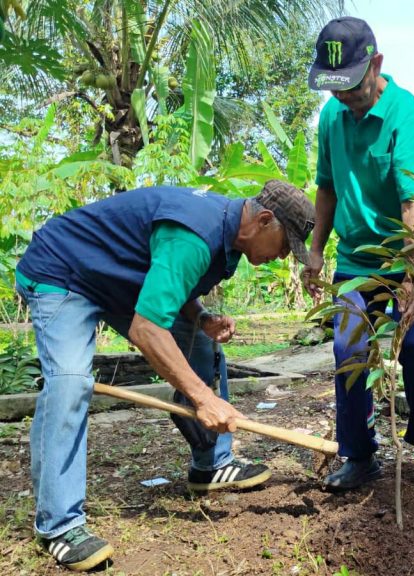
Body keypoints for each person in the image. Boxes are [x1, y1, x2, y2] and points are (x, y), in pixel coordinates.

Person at [15, 179, 315, 572]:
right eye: (284, 246)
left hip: (118, 283)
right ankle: (59, 525)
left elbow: (168, 278)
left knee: (200, 344)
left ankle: (211, 464)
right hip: (65, 273)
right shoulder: (196, 233)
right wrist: (204, 398)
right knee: (70, 382)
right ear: (263, 219)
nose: (282, 258)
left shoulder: (227, 237)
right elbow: (147, 329)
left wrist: (200, 317)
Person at [303, 17, 414, 496]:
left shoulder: (405, 115)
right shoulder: (332, 117)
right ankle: (360, 455)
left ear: (376, 64)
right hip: (356, 258)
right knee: (349, 352)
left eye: (350, 85)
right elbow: (326, 190)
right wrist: (314, 250)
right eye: (333, 88)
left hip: (412, 260)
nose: (343, 97)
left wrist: (412, 278)